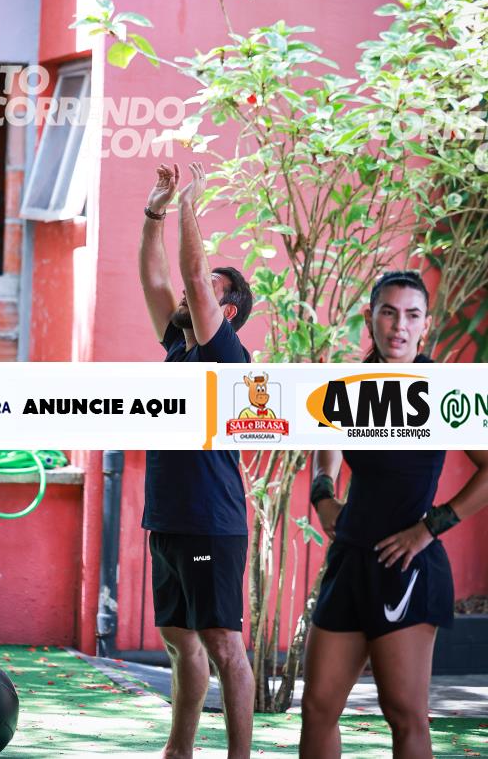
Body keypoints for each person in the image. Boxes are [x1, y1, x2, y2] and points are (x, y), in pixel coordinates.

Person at [299, 270, 488, 759]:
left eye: (411, 315)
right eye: (388, 312)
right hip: (349, 559)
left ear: (426, 324)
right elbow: (326, 441)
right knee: (317, 708)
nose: (399, 325)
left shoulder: (443, 389)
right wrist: (323, 493)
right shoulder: (349, 384)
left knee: (404, 714)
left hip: (405, 566)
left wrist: (430, 527)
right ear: (370, 318)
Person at [139, 160, 255, 759]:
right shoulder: (180, 347)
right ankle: (178, 752)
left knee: (222, 644)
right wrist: (154, 211)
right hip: (168, 517)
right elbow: (157, 277)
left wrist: (189, 201)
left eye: (207, 288)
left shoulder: (224, 352)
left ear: (226, 311)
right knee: (179, 641)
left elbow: (187, 271)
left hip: (212, 519)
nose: (191, 291)